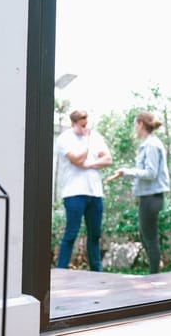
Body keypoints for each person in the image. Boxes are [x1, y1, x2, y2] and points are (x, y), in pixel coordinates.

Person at [108, 111, 170, 274]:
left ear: (141, 124)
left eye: (135, 124)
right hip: (148, 197)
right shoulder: (149, 143)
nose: (134, 128)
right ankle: (154, 275)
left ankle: (154, 277)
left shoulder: (151, 145)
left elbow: (151, 173)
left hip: (152, 197)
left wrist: (127, 171)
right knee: (146, 237)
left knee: (150, 239)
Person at [55, 110, 112, 272]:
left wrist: (89, 164)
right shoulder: (64, 139)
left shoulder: (97, 137)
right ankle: (61, 271)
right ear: (73, 124)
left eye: (87, 124)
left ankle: (97, 271)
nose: (86, 128)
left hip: (95, 193)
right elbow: (76, 159)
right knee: (71, 233)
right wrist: (87, 142)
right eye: (82, 125)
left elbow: (108, 159)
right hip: (74, 193)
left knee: (95, 235)